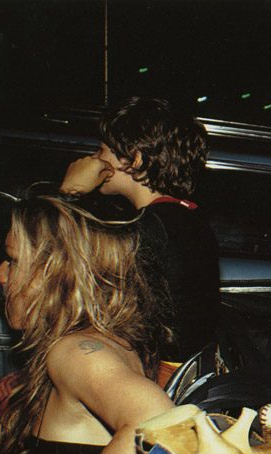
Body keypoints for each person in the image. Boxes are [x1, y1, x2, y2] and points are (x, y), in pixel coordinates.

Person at [0, 194, 175, 454]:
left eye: (13, 261)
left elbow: (160, 424)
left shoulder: (75, 351)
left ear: (59, 274)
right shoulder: (103, 341)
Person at [60, 96, 219, 361]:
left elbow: (51, 264)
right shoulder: (185, 216)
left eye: (101, 151)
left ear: (132, 159)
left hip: (156, 371)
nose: (93, 159)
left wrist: (69, 193)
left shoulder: (148, 227)